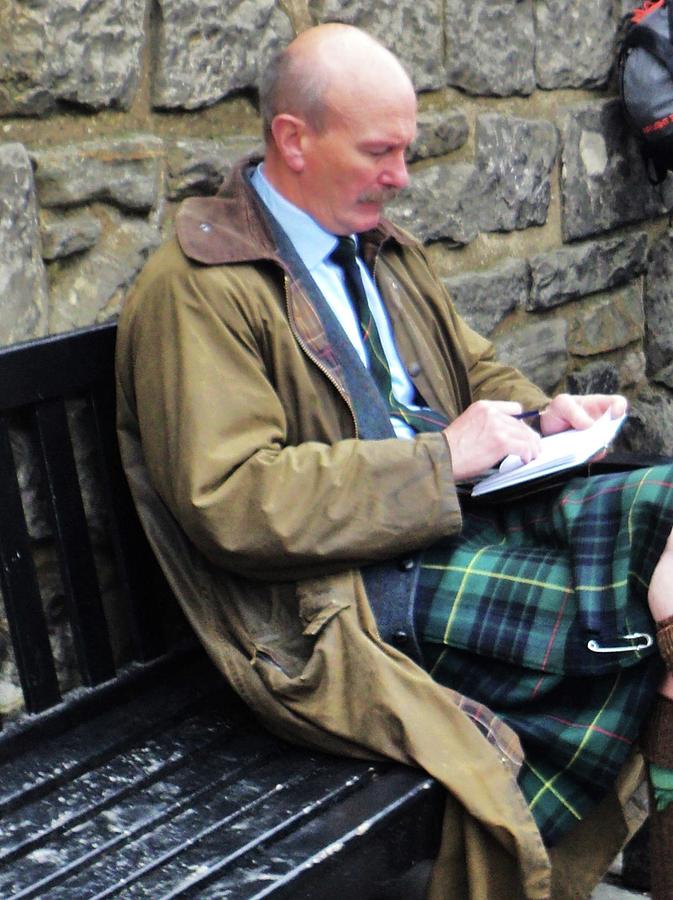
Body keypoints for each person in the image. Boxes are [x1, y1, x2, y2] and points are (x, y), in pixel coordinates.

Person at [116, 22, 673, 900]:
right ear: (293, 139)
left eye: (404, 152)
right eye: (381, 151)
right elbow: (230, 499)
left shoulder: (379, 249)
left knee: (663, 524)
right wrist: (438, 459)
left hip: (455, 526)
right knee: (637, 631)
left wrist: (543, 411)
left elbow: (470, 364)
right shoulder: (196, 288)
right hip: (334, 600)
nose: (401, 177)